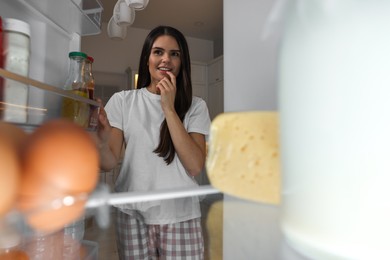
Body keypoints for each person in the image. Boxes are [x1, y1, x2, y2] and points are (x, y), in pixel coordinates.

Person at [96, 25, 211, 259]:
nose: (166, 59)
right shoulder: (123, 101)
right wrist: (100, 140)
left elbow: (195, 165)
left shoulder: (196, 106)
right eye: (158, 52)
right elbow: (108, 163)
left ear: (182, 62)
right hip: (132, 213)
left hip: (181, 215)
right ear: (147, 58)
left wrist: (168, 108)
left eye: (174, 54)